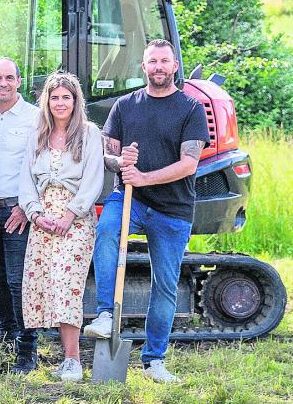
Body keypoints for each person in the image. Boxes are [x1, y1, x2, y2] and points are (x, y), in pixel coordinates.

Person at [84, 39, 210, 384]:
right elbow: (107, 155)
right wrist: (119, 161)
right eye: (152, 61)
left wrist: (143, 176)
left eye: (164, 61)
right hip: (129, 199)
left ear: (174, 67)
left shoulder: (190, 109)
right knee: (107, 230)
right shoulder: (125, 106)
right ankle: (107, 314)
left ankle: (154, 360)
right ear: (144, 67)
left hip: (173, 208)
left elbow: (188, 164)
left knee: (165, 285)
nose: (157, 67)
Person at [19, 71, 104, 382]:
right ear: (47, 102)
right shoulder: (37, 135)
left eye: (66, 97)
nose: (60, 102)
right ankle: (58, 356)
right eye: (54, 97)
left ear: (75, 100)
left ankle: (73, 360)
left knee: (67, 285)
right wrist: (35, 213)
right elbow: (26, 180)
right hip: (42, 216)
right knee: (46, 285)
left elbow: (94, 178)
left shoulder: (89, 133)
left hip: (75, 218)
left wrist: (70, 214)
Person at [0, 58, 40, 374]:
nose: (3, 83)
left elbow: (41, 166)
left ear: (18, 81)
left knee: (18, 282)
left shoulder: (34, 118)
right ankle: (7, 339)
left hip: (17, 210)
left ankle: (27, 352)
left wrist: (26, 207)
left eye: (9, 78)